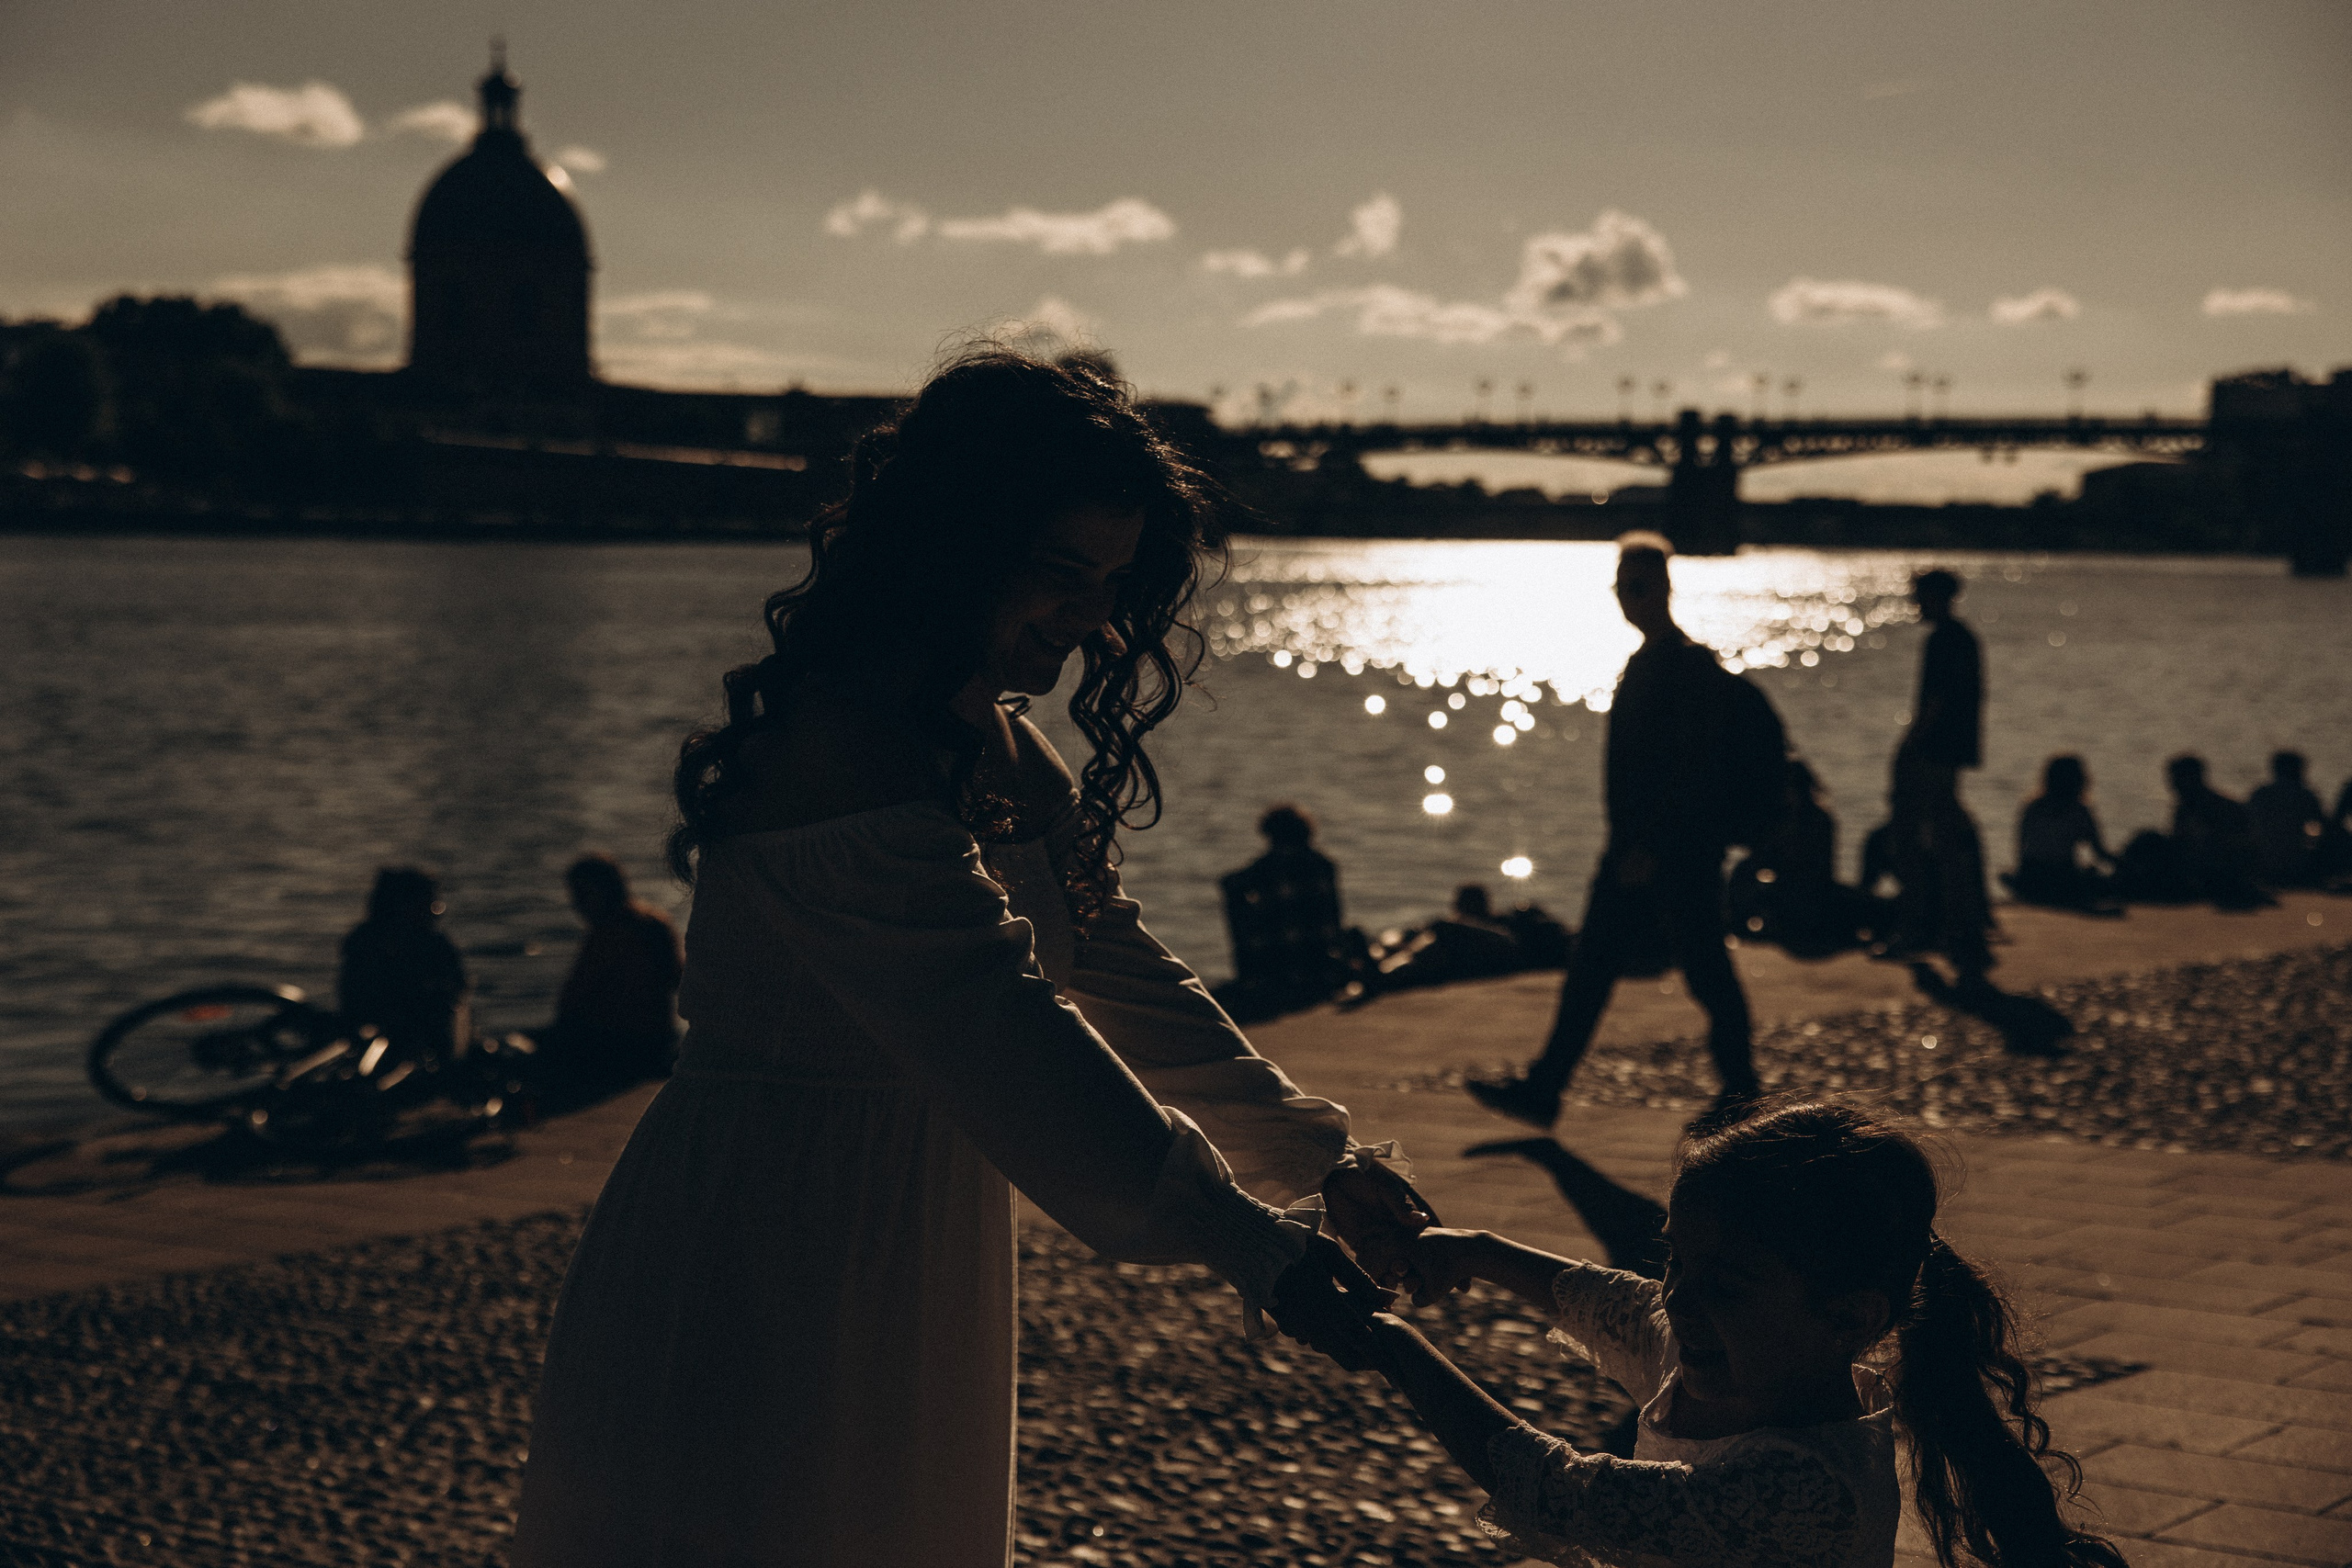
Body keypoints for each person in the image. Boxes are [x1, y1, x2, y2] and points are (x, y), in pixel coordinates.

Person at [512, 350, 1427, 1568]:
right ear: (948, 541)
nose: (1093, 617)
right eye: (1059, 572)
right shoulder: (837, 747)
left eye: (1111, 581)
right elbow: (1000, 1021)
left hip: (914, 1225)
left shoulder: (987, 730)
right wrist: (1247, 1237)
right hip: (769, 1232)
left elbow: (1106, 955)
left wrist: (1321, 1154)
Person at [1355, 1102, 2127, 1568]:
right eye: (1676, 1260)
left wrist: (1389, 1341)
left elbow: (1562, 1494)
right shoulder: (1730, 1366)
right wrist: (1473, 1250)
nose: (1679, 1298)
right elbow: (1608, 1303)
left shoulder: (1807, 1484)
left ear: (1850, 1317)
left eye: (1724, 1284)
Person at [1466, 533, 1760, 1131]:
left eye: (1639, 586)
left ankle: (1742, 1088)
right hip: (1637, 848)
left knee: (1701, 967)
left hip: (1668, 851)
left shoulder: (1684, 665)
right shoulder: (1646, 660)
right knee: (1595, 966)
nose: (1628, 598)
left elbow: (1687, 765)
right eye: (1622, 587)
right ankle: (1546, 1087)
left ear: (1664, 588)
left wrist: (1649, 845)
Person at [1886, 569, 1995, 979]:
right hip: (1952, 753)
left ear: (1935, 596)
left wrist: (1908, 744)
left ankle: (1918, 927)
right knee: (1948, 841)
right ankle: (1960, 930)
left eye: (1918, 596)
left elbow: (1934, 702)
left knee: (1913, 837)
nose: (1915, 604)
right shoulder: (1964, 639)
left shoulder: (1943, 641)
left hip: (1932, 753)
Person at [537, 853, 684, 1091]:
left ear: (604, 890)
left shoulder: (610, 933)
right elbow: (679, 980)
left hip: (618, 1044)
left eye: (582, 894)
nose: (576, 904)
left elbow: (572, 1000)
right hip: (659, 1039)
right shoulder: (656, 923)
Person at [1216, 803, 1357, 1019]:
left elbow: (1228, 883)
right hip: (1320, 965)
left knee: (1236, 896)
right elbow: (1335, 916)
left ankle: (1247, 975)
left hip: (1277, 968)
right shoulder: (1325, 865)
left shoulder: (1264, 868)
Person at [336, 865, 468, 1062]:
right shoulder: (365, 944)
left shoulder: (437, 946)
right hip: (378, 1034)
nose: (435, 912)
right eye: (429, 903)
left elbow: (456, 991)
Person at [2001, 754, 2120, 913]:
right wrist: (2124, 864)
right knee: (2099, 880)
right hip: (2063, 876)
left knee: (2006, 874)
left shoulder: (2032, 807)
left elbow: (2020, 848)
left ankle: (2032, 892)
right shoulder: (2079, 811)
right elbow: (2100, 853)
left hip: (2032, 874)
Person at [2161, 753, 2270, 909]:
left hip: (2221, 867)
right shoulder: (2186, 808)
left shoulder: (2220, 807)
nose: (2172, 784)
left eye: (2177, 779)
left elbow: (2240, 845)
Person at [2248, 750, 2325, 888]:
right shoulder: (2306, 796)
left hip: (2262, 863)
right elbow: (2323, 826)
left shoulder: (2260, 794)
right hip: (2297, 865)